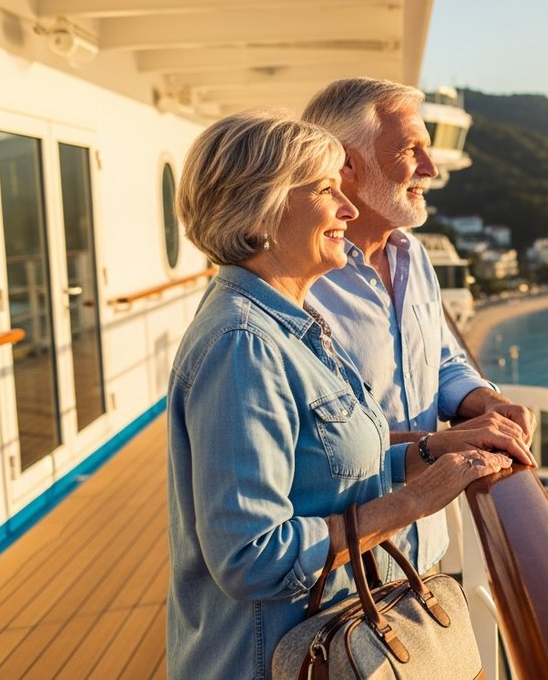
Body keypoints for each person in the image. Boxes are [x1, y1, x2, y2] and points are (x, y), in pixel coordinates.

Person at [165, 109, 515, 679]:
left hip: (321, 642)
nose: (348, 210)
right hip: (270, 661)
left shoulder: (288, 321)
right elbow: (250, 556)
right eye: (328, 190)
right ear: (265, 207)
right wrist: (415, 502)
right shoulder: (242, 343)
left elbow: (320, 464)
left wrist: (430, 452)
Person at [303, 78, 536, 573]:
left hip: (421, 559)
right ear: (347, 163)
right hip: (343, 574)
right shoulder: (302, 285)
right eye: (412, 150)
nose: (430, 169)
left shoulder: (415, 255)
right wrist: (433, 449)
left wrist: (485, 401)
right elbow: (309, 447)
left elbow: (442, 356)